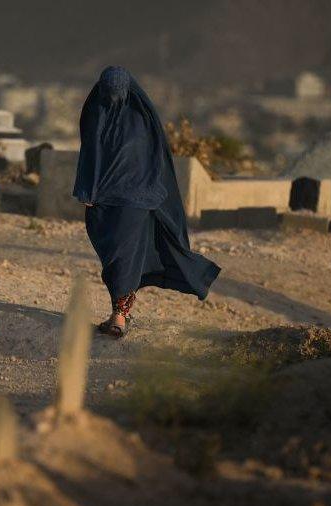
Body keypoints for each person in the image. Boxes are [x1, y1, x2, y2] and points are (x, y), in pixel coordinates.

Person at [74, 66, 221, 338]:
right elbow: (90, 152)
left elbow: (153, 161)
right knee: (114, 258)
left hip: (135, 201)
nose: (112, 98)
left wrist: (146, 195)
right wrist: (89, 192)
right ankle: (119, 313)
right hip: (106, 202)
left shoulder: (137, 120)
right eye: (108, 93)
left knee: (124, 258)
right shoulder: (100, 110)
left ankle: (119, 317)